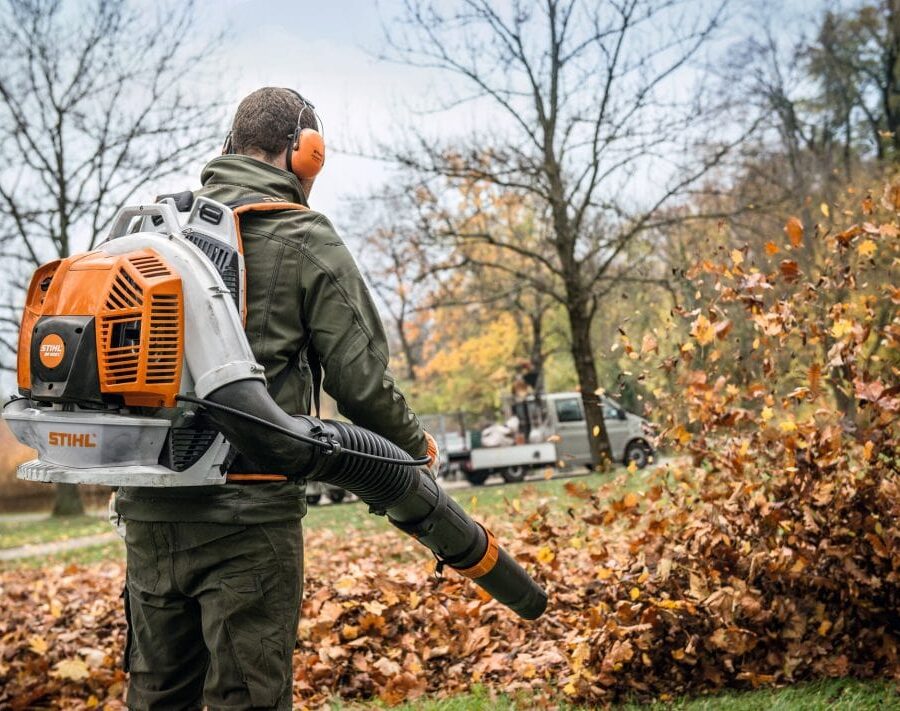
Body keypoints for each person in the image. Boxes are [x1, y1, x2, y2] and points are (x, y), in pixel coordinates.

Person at [113, 87, 438, 711]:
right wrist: (413, 448)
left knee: (156, 697)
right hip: (250, 515)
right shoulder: (302, 235)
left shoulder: (160, 233)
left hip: (151, 511)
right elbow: (361, 383)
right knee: (247, 697)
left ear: (231, 146)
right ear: (306, 153)